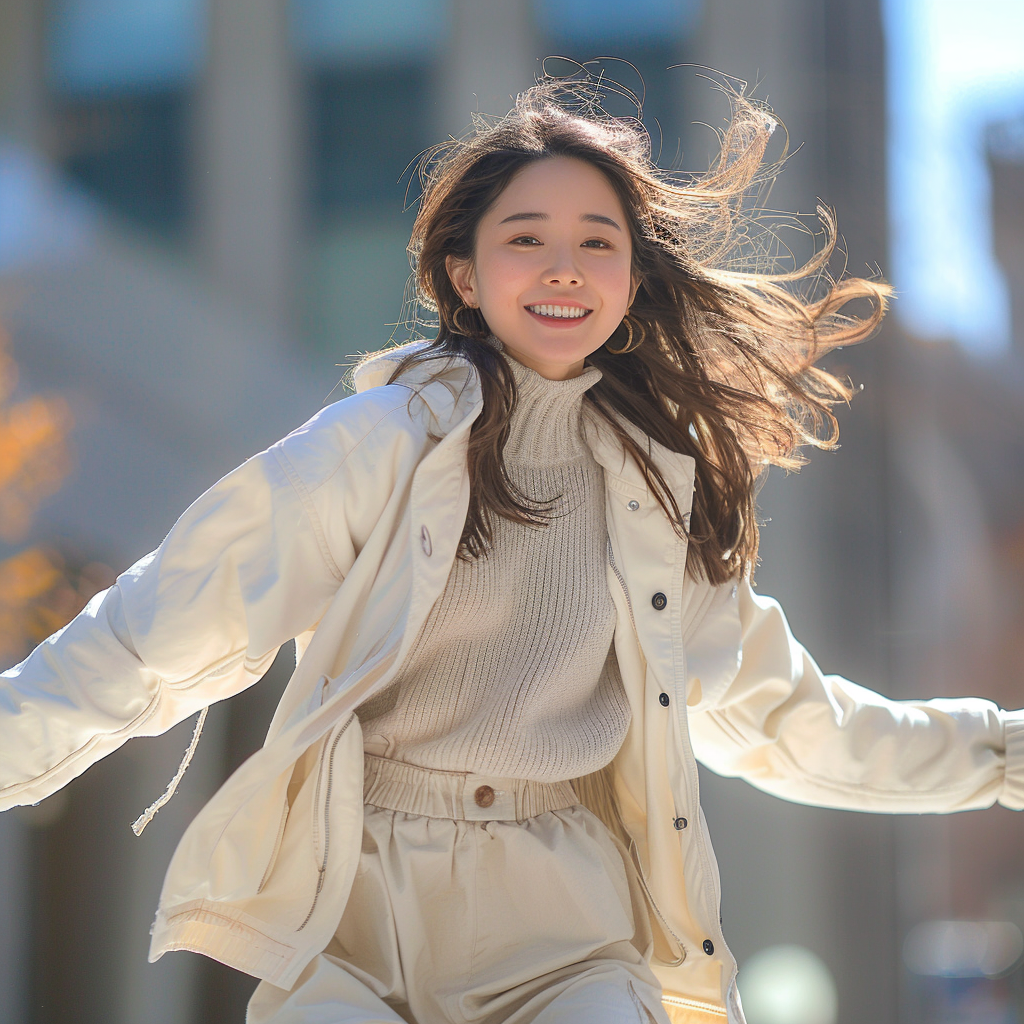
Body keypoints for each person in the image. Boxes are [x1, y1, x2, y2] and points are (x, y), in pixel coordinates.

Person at [1, 70, 1021, 1024]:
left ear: (630, 276)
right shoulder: (372, 449)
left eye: (597, 242)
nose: (563, 269)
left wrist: (999, 753)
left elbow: (791, 721)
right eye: (525, 239)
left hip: (567, 930)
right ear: (463, 271)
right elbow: (154, 633)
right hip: (359, 919)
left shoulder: (656, 496)